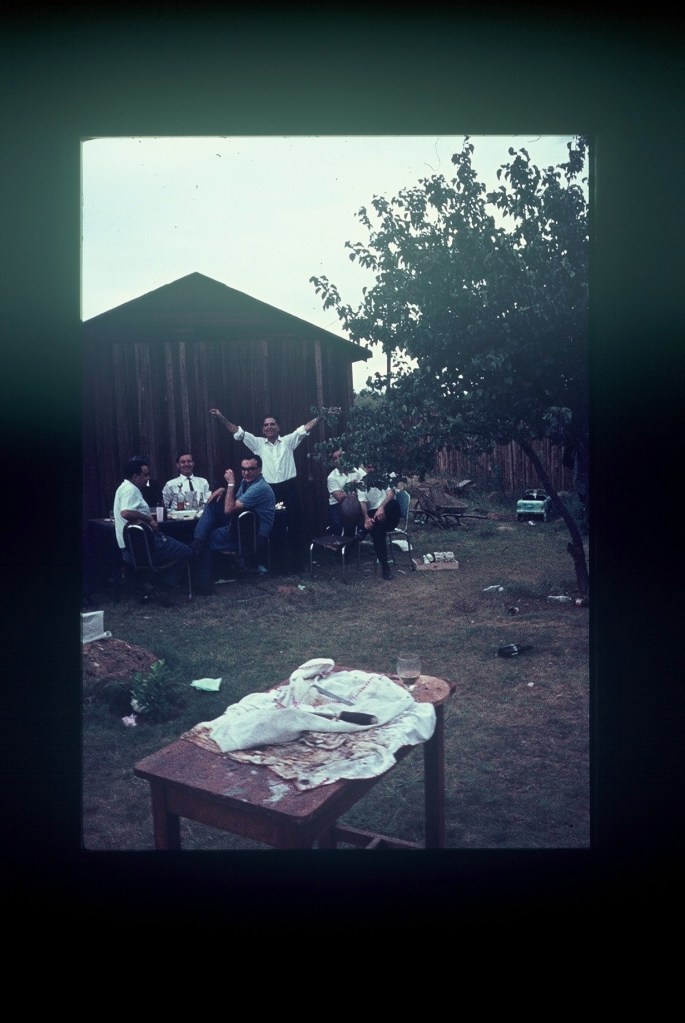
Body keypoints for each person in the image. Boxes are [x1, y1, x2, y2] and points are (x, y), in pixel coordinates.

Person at [209, 407, 321, 572]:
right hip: (269, 491)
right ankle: (276, 566)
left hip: (289, 488)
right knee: (273, 527)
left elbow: (306, 428)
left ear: (278, 427)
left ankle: (297, 564)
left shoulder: (289, 441)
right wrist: (221, 417)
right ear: (263, 429)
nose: (269, 427)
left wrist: (321, 417)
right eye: (266, 425)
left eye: (272, 424)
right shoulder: (257, 443)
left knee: (296, 526)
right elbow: (238, 432)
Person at [191, 454, 276, 594]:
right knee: (213, 505)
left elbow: (229, 509)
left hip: (253, 535)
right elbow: (231, 502)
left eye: (251, 469)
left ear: (260, 470)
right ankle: (197, 542)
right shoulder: (247, 482)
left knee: (206, 539)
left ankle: (202, 584)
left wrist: (230, 484)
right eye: (243, 469)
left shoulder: (259, 487)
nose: (246, 472)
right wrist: (223, 490)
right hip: (242, 527)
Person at [113, 456, 192, 604]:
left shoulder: (124, 488)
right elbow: (126, 512)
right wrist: (149, 519)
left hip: (132, 547)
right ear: (135, 476)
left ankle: (153, 586)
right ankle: (163, 588)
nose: (148, 478)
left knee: (174, 544)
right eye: (145, 474)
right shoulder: (131, 490)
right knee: (186, 551)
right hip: (145, 547)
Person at [356, 466, 401, 580]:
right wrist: (366, 518)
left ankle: (364, 530)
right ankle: (385, 568)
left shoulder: (386, 475)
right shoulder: (362, 482)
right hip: (374, 519)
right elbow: (363, 502)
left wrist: (381, 508)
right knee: (378, 532)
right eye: (368, 467)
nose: (371, 469)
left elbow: (390, 494)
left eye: (373, 466)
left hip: (389, 514)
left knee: (394, 504)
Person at [326, 449, 366, 535]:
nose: (338, 459)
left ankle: (353, 542)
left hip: (356, 503)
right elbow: (340, 497)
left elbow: (367, 480)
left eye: (340, 456)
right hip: (337, 505)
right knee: (338, 527)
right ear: (333, 462)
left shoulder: (356, 470)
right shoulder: (332, 477)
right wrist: (351, 487)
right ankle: (335, 541)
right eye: (335, 458)